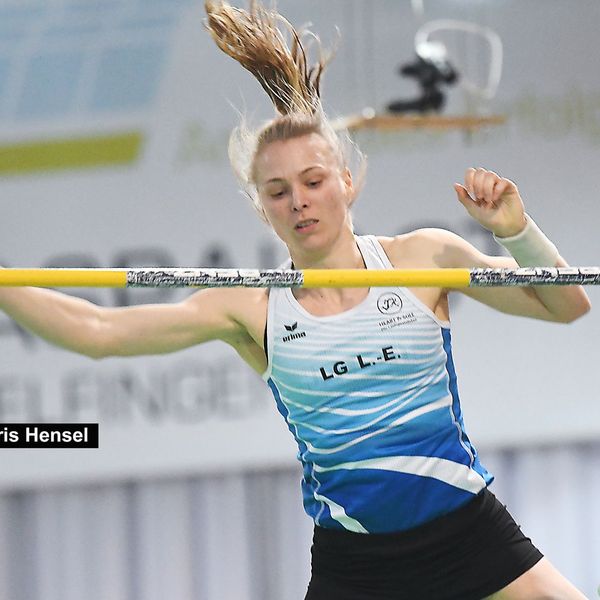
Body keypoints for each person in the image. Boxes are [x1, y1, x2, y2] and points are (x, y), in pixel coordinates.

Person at [0, 2, 591, 598]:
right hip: (358, 565)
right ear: (263, 207)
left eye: (313, 181)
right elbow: (97, 332)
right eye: (278, 191)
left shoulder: (423, 258)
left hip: (470, 536)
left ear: (347, 181)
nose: (299, 202)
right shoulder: (252, 310)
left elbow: (567, 305)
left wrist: (516, 230)